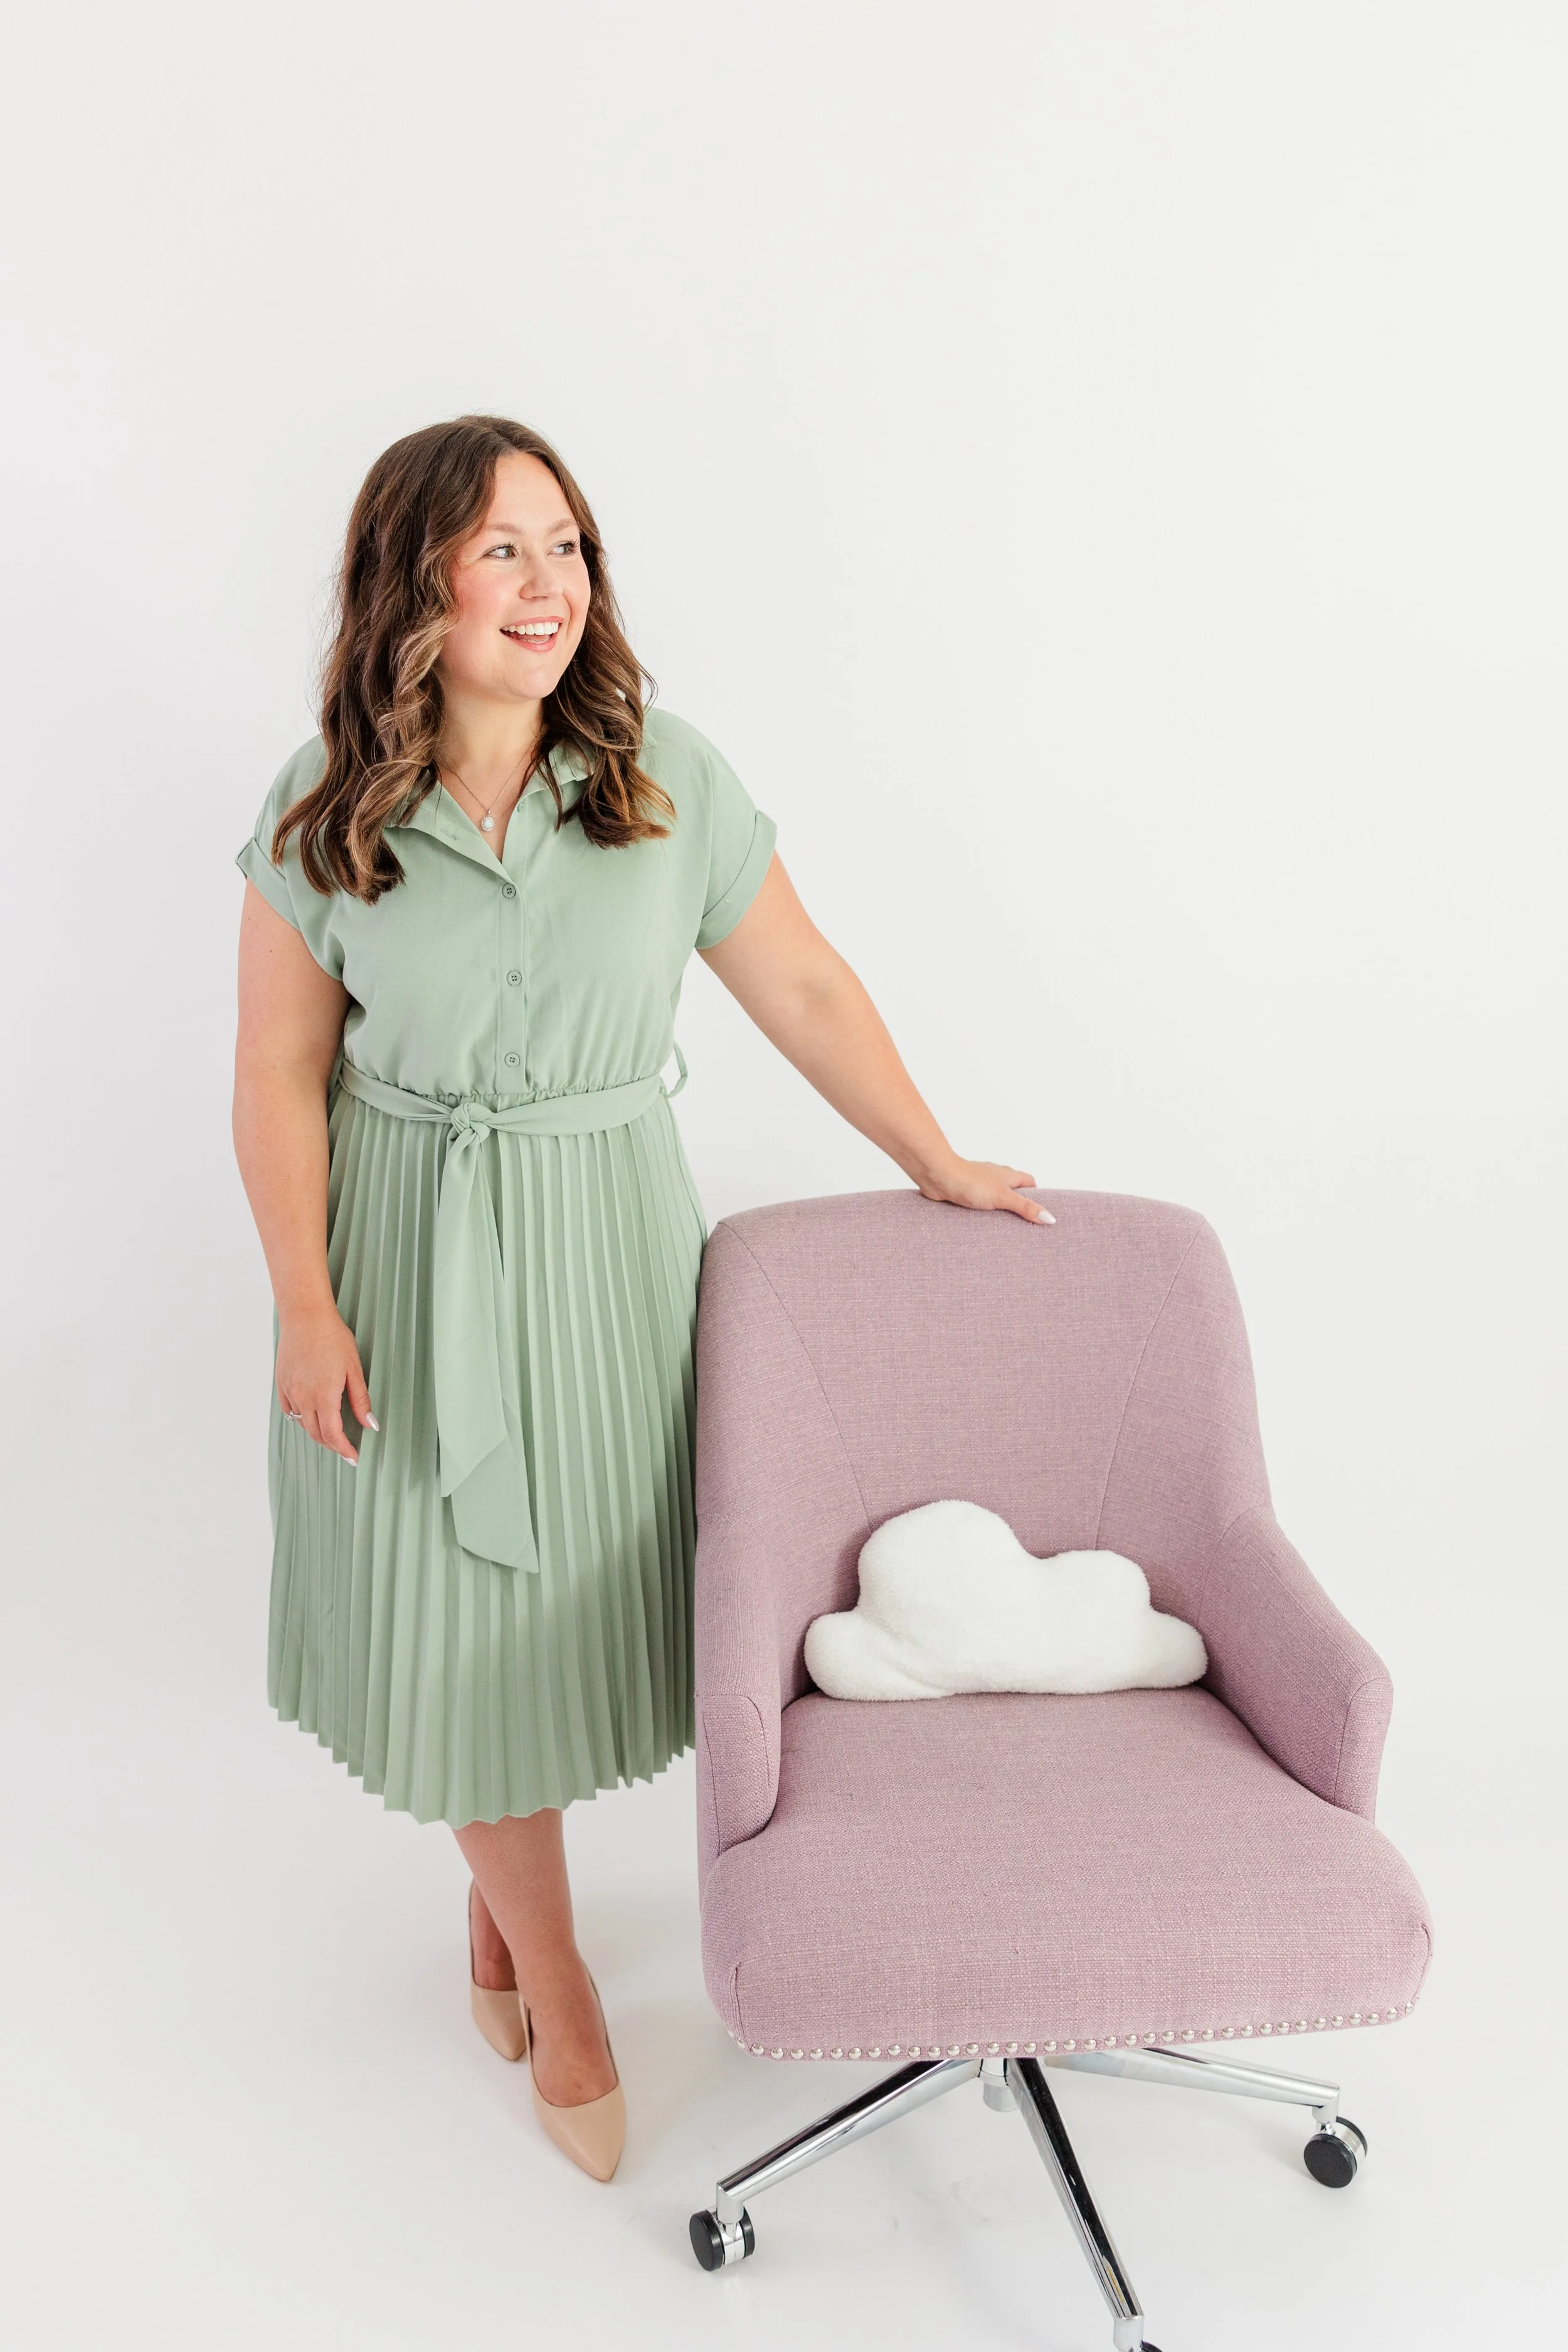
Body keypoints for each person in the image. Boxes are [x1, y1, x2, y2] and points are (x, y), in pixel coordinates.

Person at [231, 413, 1052, 2183]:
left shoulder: (659, 775)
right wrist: (304, 1298)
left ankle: (494, 1903)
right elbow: (276, 1075)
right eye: (502, 549)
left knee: (595, 1612)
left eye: (569, 546)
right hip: (406, 1254)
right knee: (453, 1629)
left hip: (611, 1248)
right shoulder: (321, 811)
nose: (548, 586)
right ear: (412, 583)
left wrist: (937, 1158)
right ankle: (559, 1971)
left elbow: (808, 989)